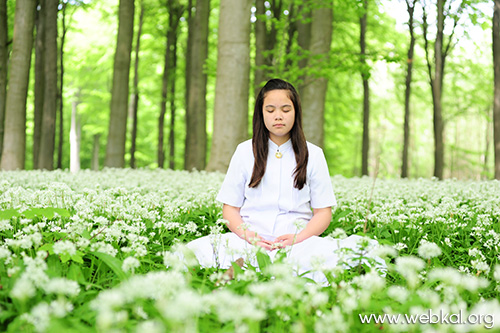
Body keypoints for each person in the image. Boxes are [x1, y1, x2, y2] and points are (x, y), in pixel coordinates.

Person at [186, 78, 383, 283]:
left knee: (363, 252)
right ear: (261, 113)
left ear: (296, 112)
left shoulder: (313, 154)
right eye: (270, 110)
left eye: (286, 110)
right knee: (188, 253)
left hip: (298, 243)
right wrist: (250, 236)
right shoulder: (245, 151)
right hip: (249, 240)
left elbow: (323, 212)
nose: (278, 116)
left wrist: (298, 237)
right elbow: (230, 209)